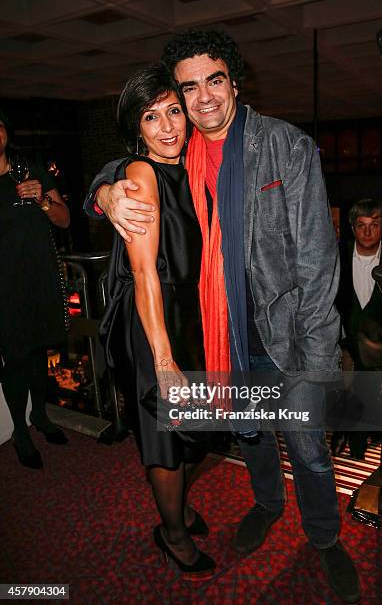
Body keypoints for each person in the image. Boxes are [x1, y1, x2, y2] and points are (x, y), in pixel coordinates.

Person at [84, 31, 360, 602]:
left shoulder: (285, 146)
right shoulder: (182, 148)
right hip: (221, 335)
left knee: (306, 446)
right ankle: (264, 504)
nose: (203, 98)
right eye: (189, 87)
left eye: (214, 80)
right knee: (250, 434)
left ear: (235, 82)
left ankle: (326, 538)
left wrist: (318, 358)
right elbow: (133, 162)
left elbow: (316, 261)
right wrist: (104, 192)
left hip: (287, 333)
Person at [98, 63, 215, 576]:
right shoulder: (143, 174)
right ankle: (171, 532)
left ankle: (178, 508)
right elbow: (145, 274)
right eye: (152, 117)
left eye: (173, 112)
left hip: (184, 314)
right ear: (135, 128)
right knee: (168, 438)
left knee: (194, 429)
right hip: (151, 324)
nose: (167, 127)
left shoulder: (189, 165)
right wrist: (165, 361)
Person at [0, 110, 70, 469]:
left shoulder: (28, 168)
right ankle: (20, 433)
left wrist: (42, 200)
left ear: (5, 132)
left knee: (40, 352)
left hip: (39, 279)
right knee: (15, 360)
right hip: (3, 289)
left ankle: (40, 416)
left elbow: (64, 218)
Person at [333, 199, 382, 460]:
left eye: (374, 225)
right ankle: (354, 444)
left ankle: (367, 438)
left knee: (375, 398)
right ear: (353, 228)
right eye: (362, 226)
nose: (367, 232)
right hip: (344, 345)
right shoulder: (335, 257)